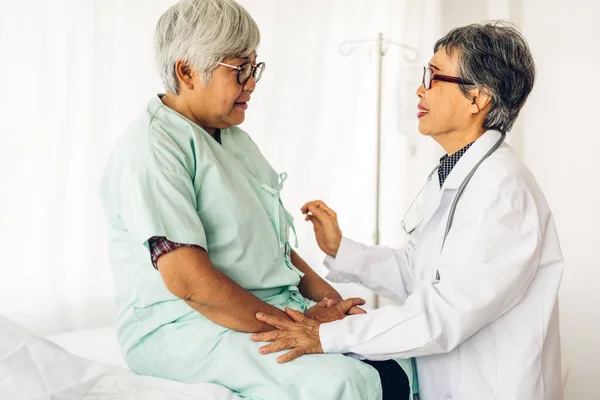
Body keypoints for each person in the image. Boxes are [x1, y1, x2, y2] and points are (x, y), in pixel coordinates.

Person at [98, 0, 410, 398]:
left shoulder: (232, 139)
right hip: (183, 324)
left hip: (264, 308)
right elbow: (189, 282)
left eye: (254, 67)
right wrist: (299, 327)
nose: (252, 82)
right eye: (239, 70)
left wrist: (332, 303)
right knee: (342, 383)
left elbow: (275, 251)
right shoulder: (154, 147)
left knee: (399, 357)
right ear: (187, 71)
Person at [252, 21, 564, 400]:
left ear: (477, 98)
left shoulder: (501, 192)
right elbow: (422, 274)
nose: (420, 89)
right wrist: (340, 249)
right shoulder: (458, 172)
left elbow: (442, 315)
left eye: (434, 77)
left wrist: (325, 336)